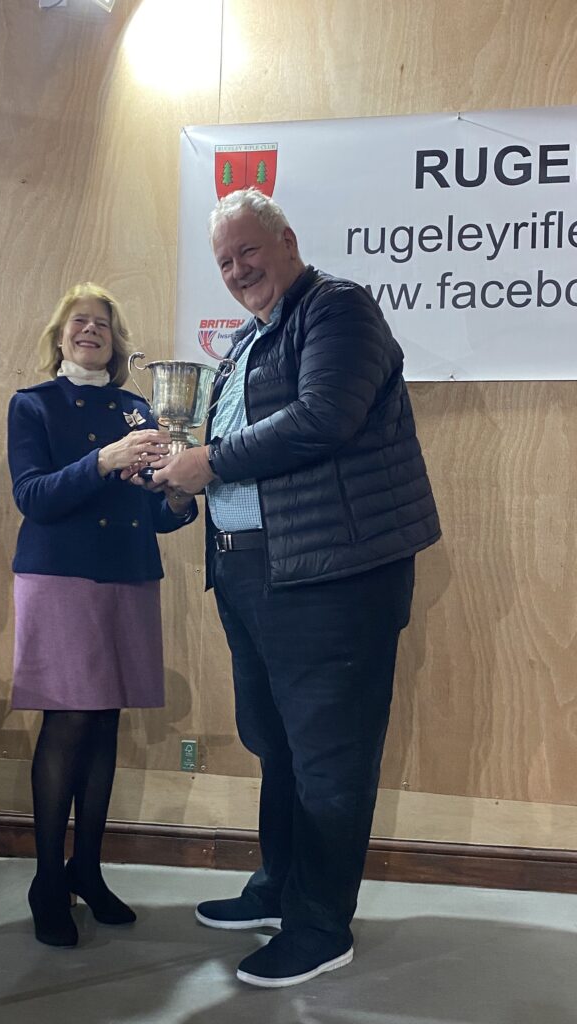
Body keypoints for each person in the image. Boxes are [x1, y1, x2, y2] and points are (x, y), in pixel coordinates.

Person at [148, 188, 441, 988]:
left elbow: (323, 418)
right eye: (225, 262)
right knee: (276, 743)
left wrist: (205, 461)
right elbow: (238, 452)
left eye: (249, 251)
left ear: (286, 240)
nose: (239, 270)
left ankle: (320, 927)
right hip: (251, 572)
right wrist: (178, 483)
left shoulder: (337, 309)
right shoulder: (246, 341)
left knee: (330, 760)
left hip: (333, 576)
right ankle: (278, 888)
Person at [8, 282, 196, 947]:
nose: (91, 330)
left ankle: (86, 867)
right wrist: (103, 460)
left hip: (128, 574)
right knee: (70, 718)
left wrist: (173, 499)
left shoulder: (140, 408)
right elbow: (33, 495)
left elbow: (148, 509)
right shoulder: (32, 405)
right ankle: (45, 880)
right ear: (60, 335)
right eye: (78, 322)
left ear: (117, 344)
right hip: (59, 577)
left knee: (106, 719)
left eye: (104, 325)